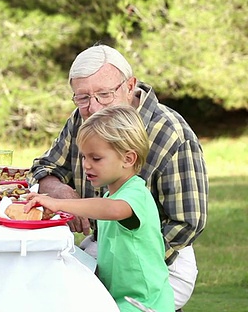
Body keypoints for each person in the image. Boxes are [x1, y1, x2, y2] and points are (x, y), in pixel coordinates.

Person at [27, 44, 207, 310]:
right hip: (108, 246)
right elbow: (47, 167)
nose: (93, 107)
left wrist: (136, 260)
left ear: (130, 85)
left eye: (104, 94)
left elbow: (188, 222)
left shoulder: (171, 133)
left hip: (161, 262)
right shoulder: (82, 119)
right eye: (83, 97)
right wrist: (59, 191)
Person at [25, 105, 174, 311]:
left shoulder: (135, 195)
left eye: (96, 158)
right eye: (84, 157)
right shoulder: (110, 195)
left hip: (143, 304)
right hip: (116, 299)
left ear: (128, 159)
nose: (86, 165)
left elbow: (111, 209)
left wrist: (57, 202)